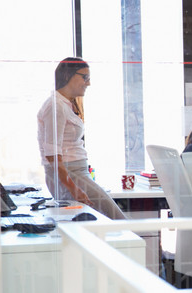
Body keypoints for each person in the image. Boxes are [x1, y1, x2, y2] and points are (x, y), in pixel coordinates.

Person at [37, 57, 126, 220]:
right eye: (85, 77)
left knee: (97, 224)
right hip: (71, 174)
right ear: (67, 76)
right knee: (117, 220)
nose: (88, 83)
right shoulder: (56, 106)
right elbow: (52, 154)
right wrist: (73, 187)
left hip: (75, 173)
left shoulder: (64, 104)